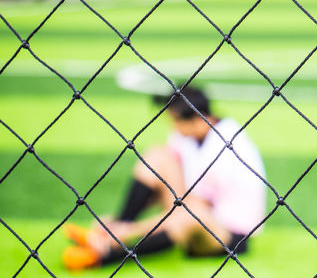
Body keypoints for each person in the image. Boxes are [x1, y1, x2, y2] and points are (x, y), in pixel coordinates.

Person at [62, 86, 267, 270]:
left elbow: (196, 208)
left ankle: (108, 254)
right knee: (157, 156)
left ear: (197, 119)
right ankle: (112, 233)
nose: (174, 128)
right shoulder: (191, 135)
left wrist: (134, 230)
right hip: (195, 210)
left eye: (177, 122)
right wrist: (118, 223)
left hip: (228, 235)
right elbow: (163, 185)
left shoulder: (228, 147)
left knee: (191, 215)